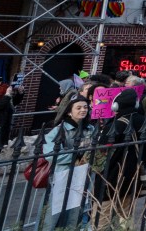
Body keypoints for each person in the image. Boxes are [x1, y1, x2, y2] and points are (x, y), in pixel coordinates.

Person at [92, 89, 146, 230]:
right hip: (131, 175)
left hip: (110, 177)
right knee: (125, 216)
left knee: (101, 219)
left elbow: (101, 153)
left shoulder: (116, 124)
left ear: (116, 106)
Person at [42, 96, 96, 231]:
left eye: (85, 107)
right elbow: (50, 154)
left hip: (83, 175)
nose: (83, 110)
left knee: (76, 209)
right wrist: (76, 153)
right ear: (69, 111)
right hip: (62, 175)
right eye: (78, 108)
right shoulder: (59, 130)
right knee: (55, 211)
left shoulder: (90, 128)